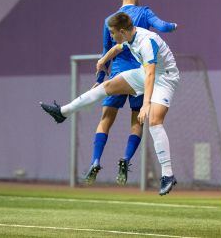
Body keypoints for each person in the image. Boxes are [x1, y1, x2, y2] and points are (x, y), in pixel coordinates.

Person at [41, 12, 179, 195]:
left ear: (121, 31)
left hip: (165, 78)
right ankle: (63, 112)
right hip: (144, 73)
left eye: (112, 33)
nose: (111, 36)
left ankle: (168, 175)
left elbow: (152, 74)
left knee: (154, 122)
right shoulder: (131, 35)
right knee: (106, 86)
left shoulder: (146, 41)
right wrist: (103, 60)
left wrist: (146, 104)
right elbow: (118, 48)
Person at [85, 0, 177, 185]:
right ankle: (126, 159)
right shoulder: (144, 12)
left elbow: (105, 52)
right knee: (137, 121)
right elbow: (162, 26)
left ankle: (95, 160)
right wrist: (173, 26)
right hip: (140, 75)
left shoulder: (110, 20)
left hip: (118, 74)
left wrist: (100, 80)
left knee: (106, 119)